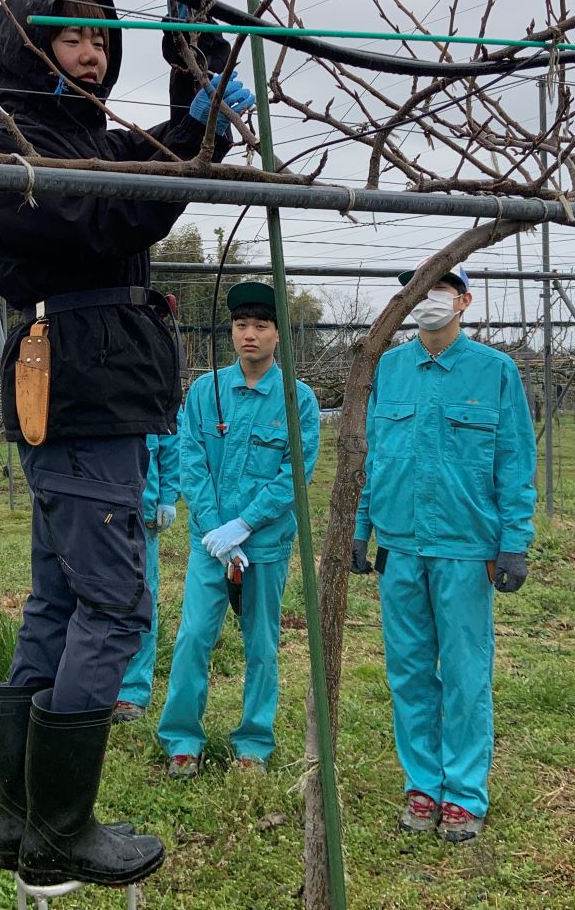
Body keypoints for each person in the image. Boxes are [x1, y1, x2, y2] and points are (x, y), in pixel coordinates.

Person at [0, 0, 255, 888]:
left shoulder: (94, 138)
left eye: (102, 37)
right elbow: (112, 216)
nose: (93, 52)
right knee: (115, 603)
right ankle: (62, 826)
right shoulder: (12, 145)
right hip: (80, 381)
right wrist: (191, 136)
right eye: (72, 35)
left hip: (96, 384)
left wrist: (193, 56)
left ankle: (25, 822)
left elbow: (172, 160)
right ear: (28, 46)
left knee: (58, 599)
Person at [351, 262, 536, 844]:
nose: (427, 302)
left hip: (464, 549)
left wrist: (513, 543)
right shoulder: (388, 368)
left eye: (440, 291)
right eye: (416, 293)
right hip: (400, 547)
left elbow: (514, 462)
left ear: (464, 302)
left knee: (463, 673)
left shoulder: (495, 372)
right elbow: (371, 454)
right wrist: (362, 527)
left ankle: (464, 792)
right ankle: (422, 783)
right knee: (408, 672)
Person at [156, 281, 320, 777]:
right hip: (211, 547)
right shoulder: (206, 393)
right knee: (193, 639)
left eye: (261, 327)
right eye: (241, 326)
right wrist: (216, 531)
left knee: (262, 644)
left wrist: (245, 525)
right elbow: (191, 461)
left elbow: (296, 470)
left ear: (278, 335)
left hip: (264, 547)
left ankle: (253, 743)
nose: (249, 335)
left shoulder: (297, 399)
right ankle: (182, 738)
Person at [113, 432, 180, 724]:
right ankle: (101, 682)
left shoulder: (153, 390)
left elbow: (170, 443)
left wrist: (167, 497)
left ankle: (133, 691)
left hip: (143, 510)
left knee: (141, 598)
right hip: (99, 508)